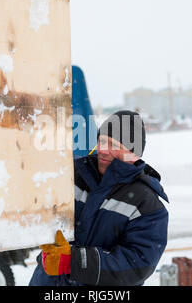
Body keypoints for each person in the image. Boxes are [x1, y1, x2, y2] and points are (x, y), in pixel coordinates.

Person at [29, 110, 169, 286]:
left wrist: (73, 262)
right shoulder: (72, 175)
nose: (103, 150)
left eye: (113, 145)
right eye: (102, 141)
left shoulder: (147, 205)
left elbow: (138, 265)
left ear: (133, 154)